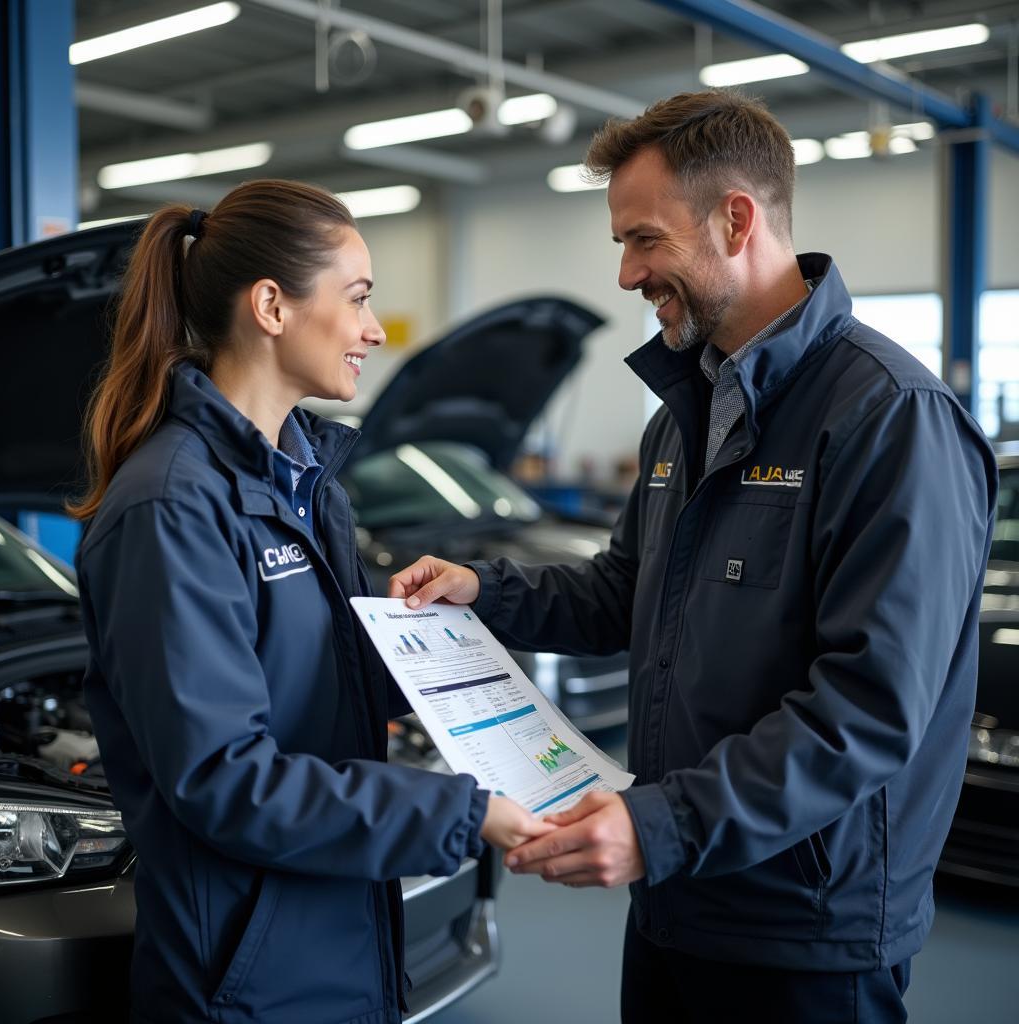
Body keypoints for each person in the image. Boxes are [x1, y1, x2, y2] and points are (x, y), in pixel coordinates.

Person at [389, 92, 998, 1023]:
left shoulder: (888, 418)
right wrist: (485, 590)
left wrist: (659, 825)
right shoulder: (688, 412)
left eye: (644, 240)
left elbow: (870, 711)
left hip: (804, 925)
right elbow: (624, 591)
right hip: (680, 894)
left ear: (736, 219)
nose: (628, 274)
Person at [69, 179, 550, 1024]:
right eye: (359, 298)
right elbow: (225, 779)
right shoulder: (172, 507)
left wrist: (427, 649)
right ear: (271, 306)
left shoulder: (304, 481)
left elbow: (314, 681)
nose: (373, 328)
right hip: (245, 973)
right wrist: (463, 811)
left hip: (332, 928)